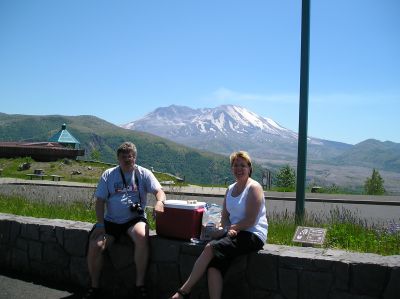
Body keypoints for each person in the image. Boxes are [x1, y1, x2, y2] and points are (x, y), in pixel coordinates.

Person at [170, 151, 268, 299]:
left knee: (211, 247)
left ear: (249, 168)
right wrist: (224, 229)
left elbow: (251, 220)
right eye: (235, 165)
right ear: (231, 168)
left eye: (243, 165)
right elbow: (225, 218)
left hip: (253, 234)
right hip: (235, 233)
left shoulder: (254, 188)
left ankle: (183, 292)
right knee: (214, 267)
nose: (239, 169)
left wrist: (231, 229)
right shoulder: (230, 189)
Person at [84, 142, 166, 299]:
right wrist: (100, 225)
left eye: (131, 156)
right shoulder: (108, 175)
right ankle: (94, 287)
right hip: (111, 221)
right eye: (124, 157)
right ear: (118, 159)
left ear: (135, 157)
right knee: (95, 245)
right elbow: (100, 201)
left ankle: (139, 285)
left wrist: (160, 202)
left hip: (134, 219)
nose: (128, 160)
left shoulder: (143, 173)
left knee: (142, 236)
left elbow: (159, 191)